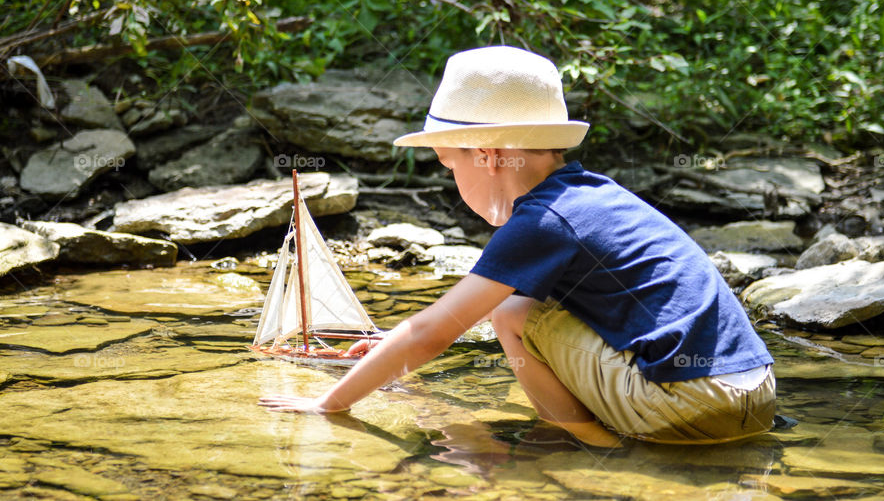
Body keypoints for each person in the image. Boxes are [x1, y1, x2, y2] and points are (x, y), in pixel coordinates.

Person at [258, 45, 776, 447]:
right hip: (755, 393)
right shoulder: (593, 196)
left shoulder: (539, 222)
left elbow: (431, 331)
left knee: (513, 312)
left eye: (447, 161)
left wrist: (331, 403)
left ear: (486, 156)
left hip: (684, 405)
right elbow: (451, 320)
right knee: (521, 303)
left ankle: (581, 441)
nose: (451, 176)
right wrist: (388, 345)